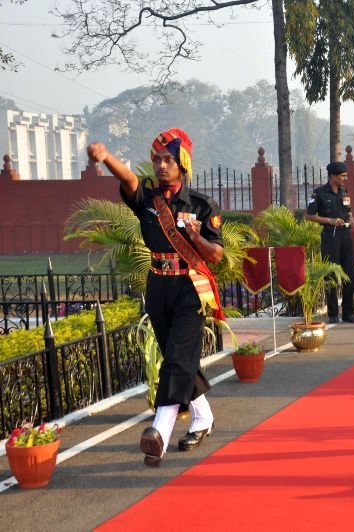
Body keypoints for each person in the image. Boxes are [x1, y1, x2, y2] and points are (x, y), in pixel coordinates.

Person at [87, 128, 224, 467]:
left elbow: (216, 255)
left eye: (168, 160)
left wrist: (196, 238)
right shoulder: (148, 200)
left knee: (177, 357)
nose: (162, 166)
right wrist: (105, 159)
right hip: (158, 285)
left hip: (190, 287)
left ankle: (158, 432)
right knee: (176, 356)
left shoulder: (203, 206)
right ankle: (203, 417)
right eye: (157, 160)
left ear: (183, 164)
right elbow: (130, 180)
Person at [305, 161, 354, 324]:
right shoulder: (319, 193)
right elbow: (309, 215)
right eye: (343, 176)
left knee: (349, 273)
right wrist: (329, 220)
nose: (345, 178)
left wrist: (351, 217)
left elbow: (348, 209)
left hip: (346, 235)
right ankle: (333, 313)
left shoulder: (344, 191)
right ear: (333, 176)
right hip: (330, 236)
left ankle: (349, 313)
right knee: (331, 274)